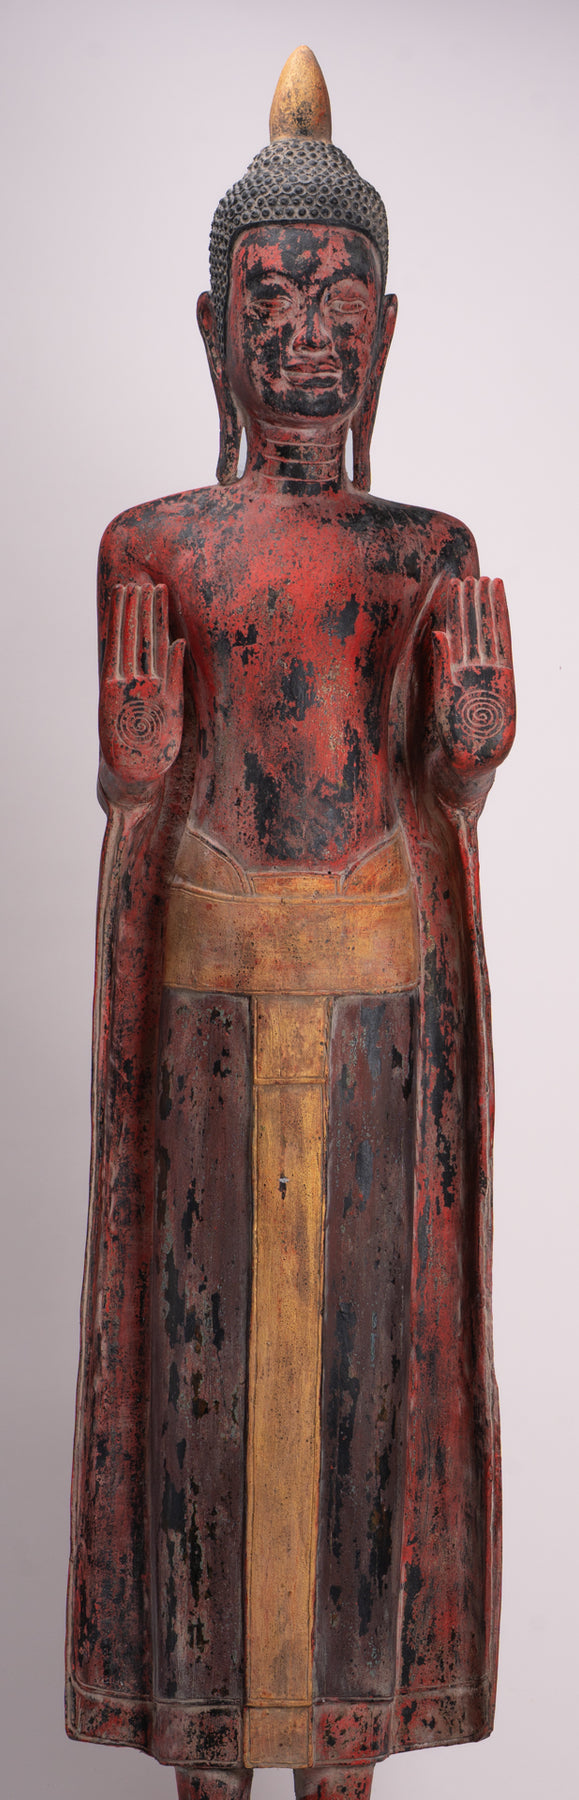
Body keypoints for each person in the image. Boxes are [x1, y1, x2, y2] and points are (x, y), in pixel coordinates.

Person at [66, 46, 515, 1800]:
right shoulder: (155, 547)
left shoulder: (424, 551)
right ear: (212, 331)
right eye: (270, 300)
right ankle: (202, 1747)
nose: (306, 337)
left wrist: (469, 764)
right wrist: (131, 784)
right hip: (203, 1004)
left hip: (383, 1002)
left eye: (338, 305)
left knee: (363, 1401)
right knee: (199, 1397)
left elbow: (435, 795)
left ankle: (345, 1750)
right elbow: (144, 790)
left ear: (387, 332)